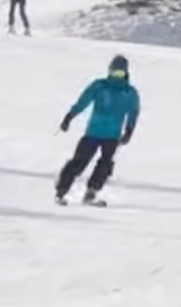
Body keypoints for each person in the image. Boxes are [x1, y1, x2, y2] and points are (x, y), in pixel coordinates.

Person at [56, 54, 140, 206]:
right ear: (109, 71)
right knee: (78, 162)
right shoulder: (100, 86)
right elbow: (83, 101)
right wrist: (69, 116)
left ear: (126, 73)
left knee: (105, 164)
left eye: (120, 73)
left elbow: (133, 113)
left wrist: (129, 131)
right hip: (93, 133)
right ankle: (61, 191)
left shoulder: (129, 92)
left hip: (112, 136)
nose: (116, 76)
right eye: (114, 72)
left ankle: (91, 193)